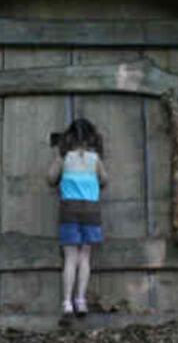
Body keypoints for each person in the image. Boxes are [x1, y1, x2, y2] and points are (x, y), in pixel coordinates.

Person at [47, 118, 109, 318]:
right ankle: (81, 301)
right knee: (85, 258)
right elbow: (105, 180)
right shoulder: (94, 159)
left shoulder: (63, 158)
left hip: (69, 211)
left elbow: (50, 179)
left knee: (70, 258)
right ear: (91, 137)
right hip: (91, 211)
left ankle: (66, 303)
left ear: (69, 137)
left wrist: (58, 158)